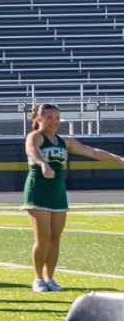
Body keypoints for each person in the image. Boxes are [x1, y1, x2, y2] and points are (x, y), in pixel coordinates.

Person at [21, 102, 123, 293]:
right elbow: (31, 150)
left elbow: (92, 151)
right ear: (38, 119)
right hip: (38, 191)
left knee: (55, 239)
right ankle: (38, 279)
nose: (54, 121)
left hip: (58, 193)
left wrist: (117, 158)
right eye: (49, 117)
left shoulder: (65, 141)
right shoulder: (36, 136)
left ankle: (50, 278)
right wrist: (43, 164)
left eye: (57, 118)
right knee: (43, 238)